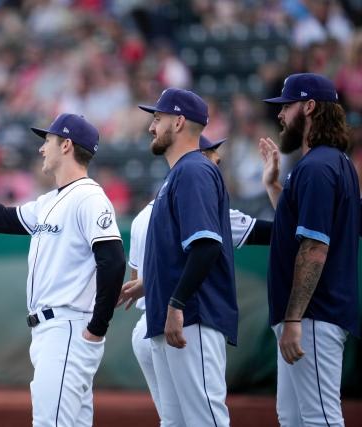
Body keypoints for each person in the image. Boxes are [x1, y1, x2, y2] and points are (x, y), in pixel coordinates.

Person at [0, 114, 126, 427]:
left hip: (68, 327)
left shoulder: (89, 197)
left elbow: (114, 260)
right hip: (51, 331)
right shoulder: (49, 201)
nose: (42, 149)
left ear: (66, 145)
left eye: (49, 141)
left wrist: (98, 326)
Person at [118, 135, 272, 420]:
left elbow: (139, 276)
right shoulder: (201, 202)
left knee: (174, 420)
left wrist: (149, 285)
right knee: (206, 417)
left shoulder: (145, 213)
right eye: (213, 156)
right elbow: (263, 232)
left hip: (149, 327)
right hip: (184, 320)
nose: (217, 163)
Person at [259, 73, 359, 427]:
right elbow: (296, 227)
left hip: (313, 314)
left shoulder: (317, 167)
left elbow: (315, 247)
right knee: (294, 418)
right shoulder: (332, 163)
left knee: (319, 419)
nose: (281, 115)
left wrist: (294, 318)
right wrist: (273, 186)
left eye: (287, 105)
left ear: (310, 106)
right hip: (313, 314)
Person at [137, 88, 236, 426]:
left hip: (192, 317)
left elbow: (207, 245)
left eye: (158, 118)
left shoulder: (194, 170)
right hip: (175, 320)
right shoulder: (179, 173)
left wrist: (177, 303)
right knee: (176, 422)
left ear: (178, 122)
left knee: (204, 420)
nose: (152, 127)